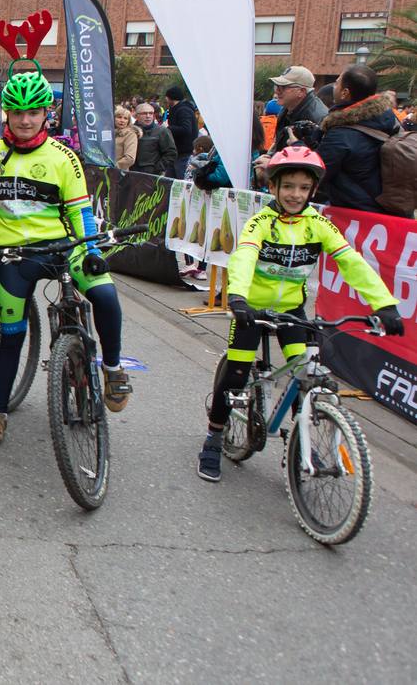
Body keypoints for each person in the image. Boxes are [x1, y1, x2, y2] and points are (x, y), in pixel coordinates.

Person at [198, 146, 404, 482]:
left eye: (304, 188)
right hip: (251, 307)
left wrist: (384, 303)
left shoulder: (318, 225)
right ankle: (214, 436)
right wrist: (237, 297)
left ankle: (297, 445)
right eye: (289, 186)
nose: (296, 194)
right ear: (274, 188)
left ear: (313, 191)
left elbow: (350, 262)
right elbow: (244, 258)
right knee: (236, 372)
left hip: (291, 310)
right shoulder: (261, 222)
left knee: (305, 374)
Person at [0, 64, 131, 444]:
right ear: (6, 113)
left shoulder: (62, 157)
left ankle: (113, 368)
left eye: (34, 112)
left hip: (64, 248)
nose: (25, 121)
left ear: (46, 114)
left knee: (105, 294)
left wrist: (91, 252)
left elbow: (81, 211)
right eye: (17, 112)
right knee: (11, 335)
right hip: (15, 256)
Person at [315, 64, 402, 215]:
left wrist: (298, 145)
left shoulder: (341, 133)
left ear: (345, 93)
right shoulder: (389, 119)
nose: (333, 86)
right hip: (385, 210)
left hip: (355, 213)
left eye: (337, 82)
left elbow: (317, 173)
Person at [131, 102, 177, 176]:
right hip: (131, 173)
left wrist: (158, 168)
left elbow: (171, 153)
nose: (148, 116)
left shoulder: (162, 131)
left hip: (152, 175)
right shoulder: (130, 130)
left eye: (151, 113)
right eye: (144, 113)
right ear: (136, 116)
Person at [164, 85, 198, 178]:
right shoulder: (175, 109)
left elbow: (186, 129)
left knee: (181, 180)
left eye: (167, 97)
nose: (166, 99)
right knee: (169, 182)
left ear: (171, 97)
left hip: (184, 153)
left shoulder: (183, 110)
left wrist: (168, 127)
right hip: (175, 152)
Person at [113, 105, 140, 171]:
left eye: (125, 118)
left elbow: (130, 158)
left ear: (128, 121)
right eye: (119, 117)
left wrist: (114, 167)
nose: (122, 120)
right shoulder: (108, 132)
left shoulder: (130, 134)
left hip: (118, 172)